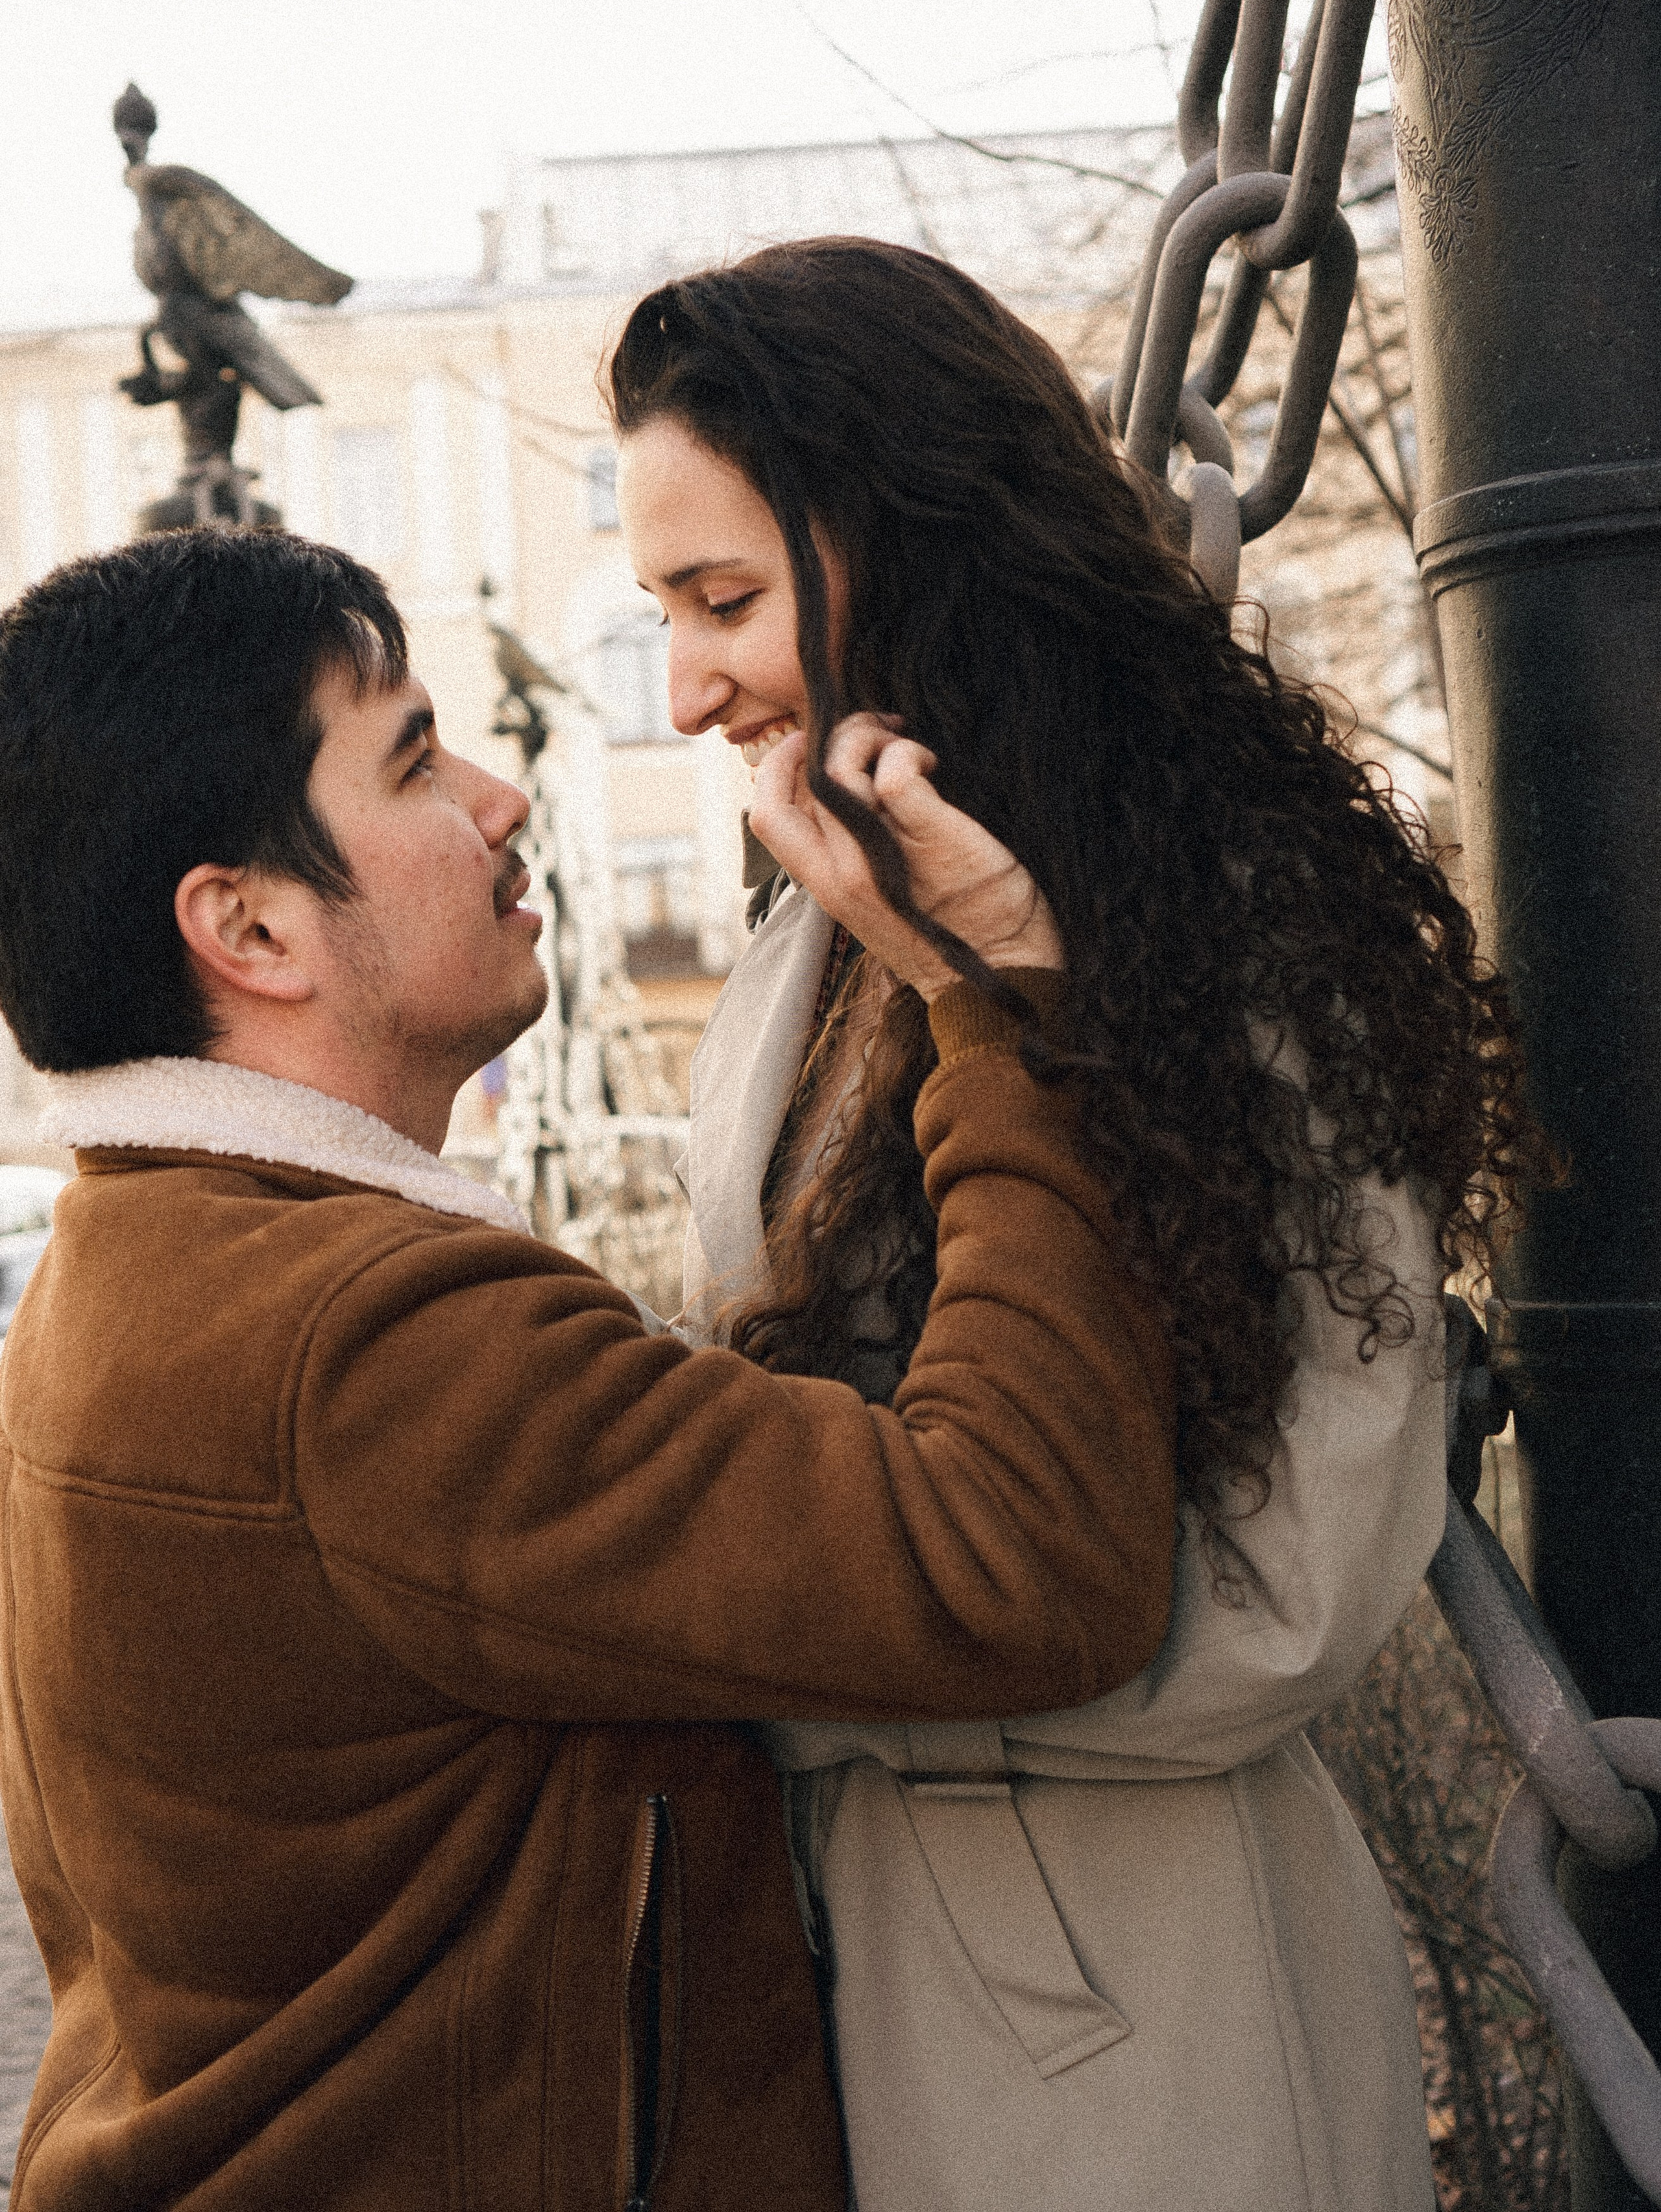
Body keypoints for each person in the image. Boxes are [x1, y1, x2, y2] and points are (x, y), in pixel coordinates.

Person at [0, 528, 1182, 2212]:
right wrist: (1001, 1011)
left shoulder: (132, 1267)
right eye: (412, 759)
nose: (499, 798)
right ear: (251, 927)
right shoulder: (365, 1343)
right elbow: (1020, 1560)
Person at [610, 237, 1544, 2212]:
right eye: (662, 613)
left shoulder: (1226, 920)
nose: (684, 684)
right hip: (865, 1960)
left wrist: (761, 1640)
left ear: (914, 550)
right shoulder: (823, 944)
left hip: (1129, 1997)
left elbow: (1294, 1592)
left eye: (726, 601)